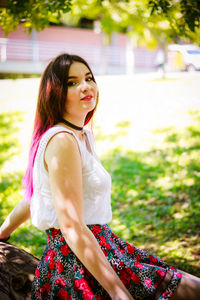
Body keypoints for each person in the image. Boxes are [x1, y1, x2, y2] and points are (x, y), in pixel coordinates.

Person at [0, 53, 200, 300]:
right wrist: (118, 292)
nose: (85, 86)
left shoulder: (80, 135)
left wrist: (3, 232)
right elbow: (71, 224)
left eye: (88, 78)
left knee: (189, 286)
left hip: (103, 246)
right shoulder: (62, 140)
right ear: (55, 93)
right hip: (76, 263)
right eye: (72, 82)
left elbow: (38, 195)